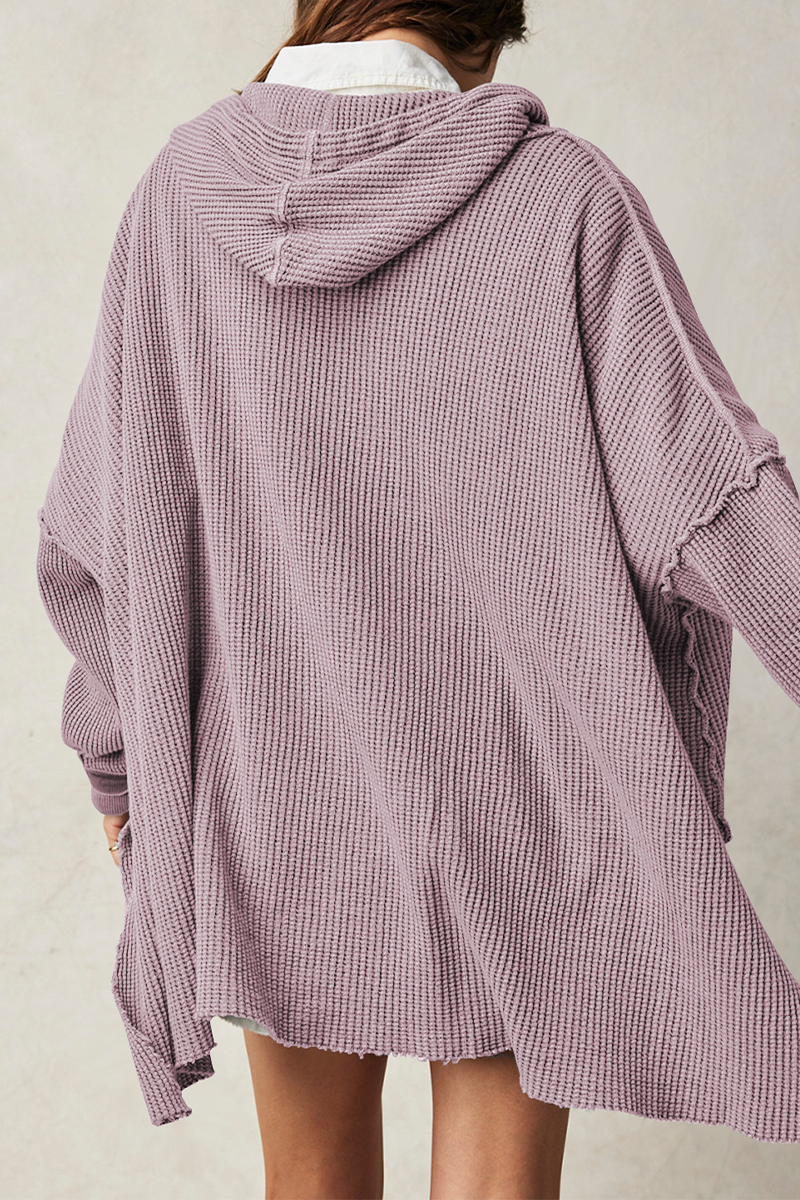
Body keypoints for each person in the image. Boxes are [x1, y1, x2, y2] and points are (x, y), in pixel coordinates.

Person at [35, 0, 800, 1196]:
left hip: (273, 801)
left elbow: (103, 532)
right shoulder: (559, 198)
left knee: (310, 1185)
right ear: (484, 33)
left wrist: (118, 765)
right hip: (521, 809)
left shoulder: (181, 197)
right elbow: (719, 502)